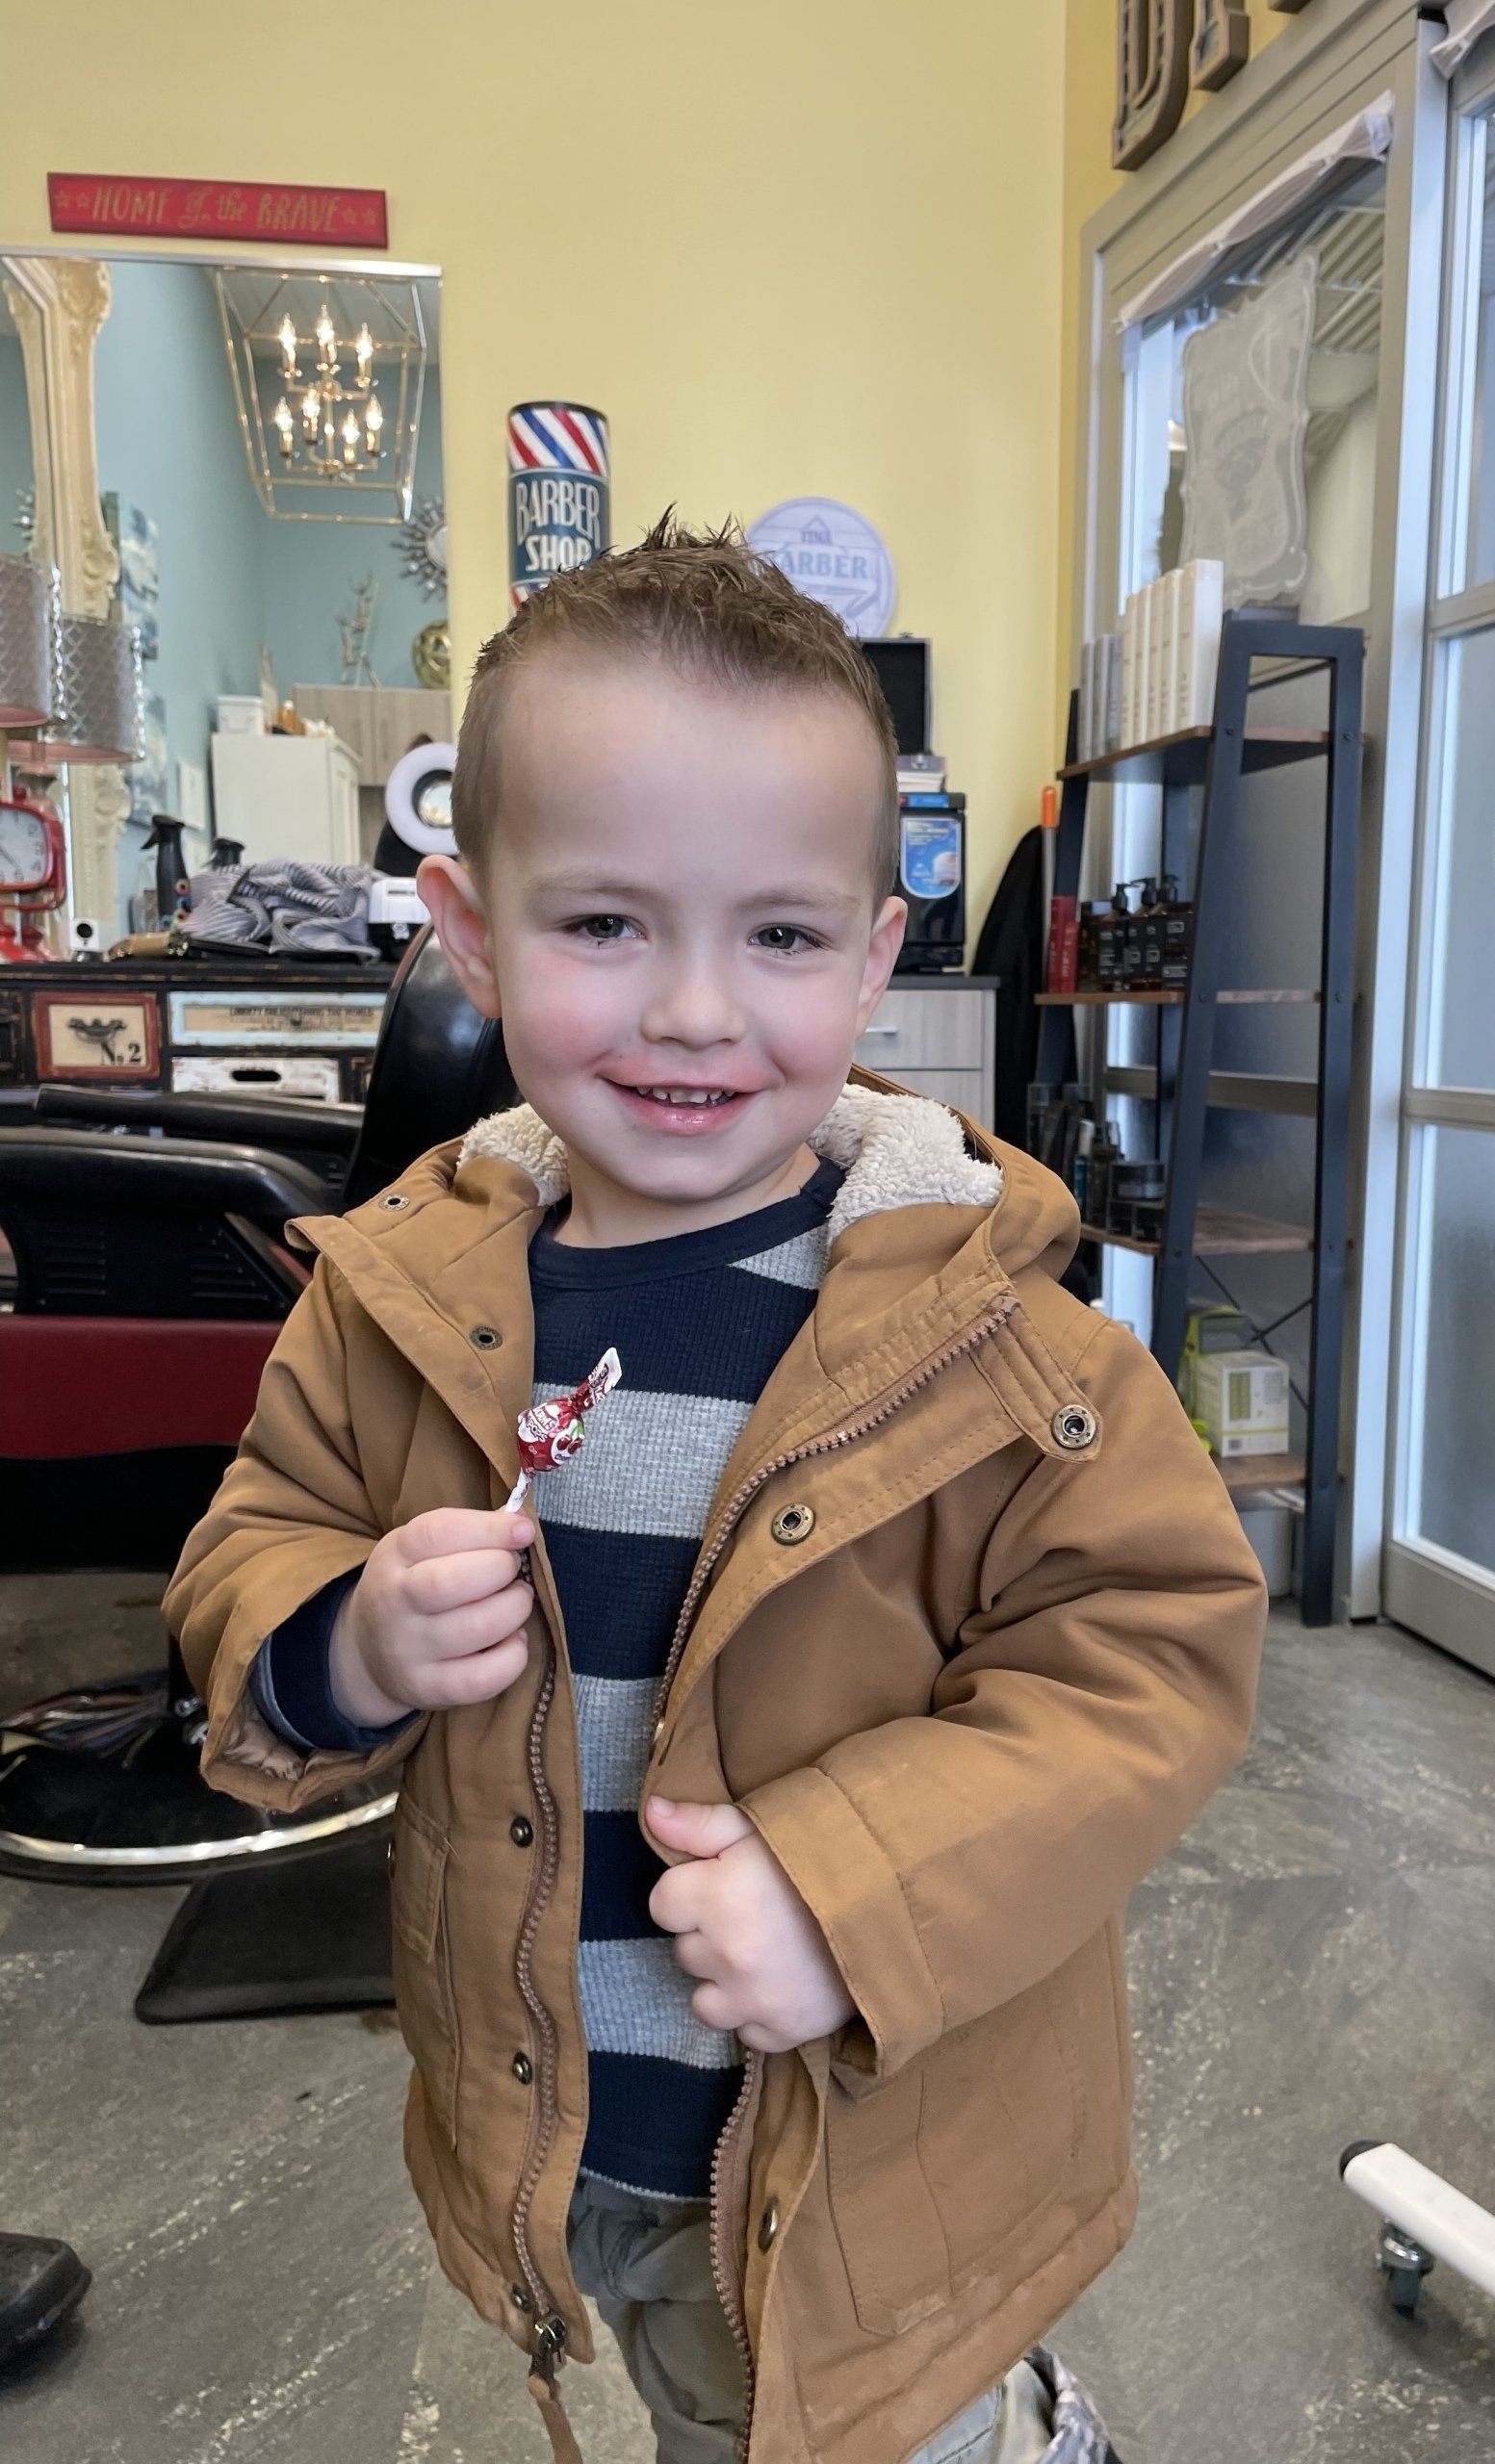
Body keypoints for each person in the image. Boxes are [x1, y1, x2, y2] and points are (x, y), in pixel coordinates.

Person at [166, 515, 1268, 2464]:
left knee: (843, 2413)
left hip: (875, 2131)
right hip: (567, 2113)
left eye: (775, 934)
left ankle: (1005, 2424)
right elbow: (252, 1539)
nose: (693, 1010)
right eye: (605, 925)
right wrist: (339, 1639)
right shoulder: (401, 1298)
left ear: (872, 956)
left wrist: (855, 1892)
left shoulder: (994, 1334)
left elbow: (1152, 1652)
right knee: (702, 2394)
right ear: (472, 928)